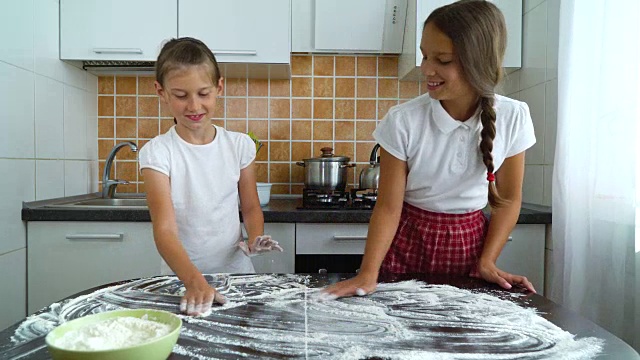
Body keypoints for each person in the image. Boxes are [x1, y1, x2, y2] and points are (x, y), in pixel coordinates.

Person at [325, 0, 536, 298]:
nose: (426, 69)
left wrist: (488, 260)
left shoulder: (513, 116)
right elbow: (387, 207)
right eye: (425, 56)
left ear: (479, 61)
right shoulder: (402, 121)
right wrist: (367, 274)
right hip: (408, 242)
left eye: (443, 59)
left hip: (471, 245)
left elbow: (509, 199)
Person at [138, 37, 282, 316]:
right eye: (181, 96)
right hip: (183, 282)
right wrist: (194, 282)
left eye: (203, 93)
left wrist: (254, 238)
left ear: (219, 87)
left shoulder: (239, 145)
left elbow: (251, 208)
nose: (194, 106)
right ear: (161, 92)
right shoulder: (157, 153)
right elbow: (164, 230)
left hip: (236, 277)